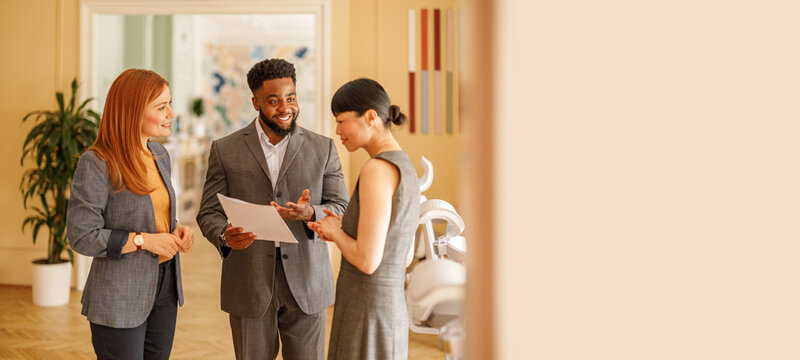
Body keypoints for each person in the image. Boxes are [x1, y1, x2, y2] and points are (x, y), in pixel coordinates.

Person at [196, 58, 348, 360]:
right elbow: (208, 213)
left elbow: (340, 205)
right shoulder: (225, 150)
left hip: (307, 283)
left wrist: (311, 214)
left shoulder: (324, 148)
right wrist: (225, 235)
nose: (285, 108)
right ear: (255, 102)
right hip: (249, 282)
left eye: (291, 98)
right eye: (273, 100)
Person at [67, 69, 194, 360]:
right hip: (118, 295)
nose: (171, 113)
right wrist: (144, 241)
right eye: (161, 107)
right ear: (132, 111)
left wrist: (175, 229)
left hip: (165, 285)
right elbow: (83, 237)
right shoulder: (97, 163)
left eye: (169, 104)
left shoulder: (160, 155)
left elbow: (151, 212)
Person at [308, 78, 421, 360]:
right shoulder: (405, 164)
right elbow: (403, 256)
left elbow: (368, 260)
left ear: (370, 117)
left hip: (366, 308)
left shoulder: (377, 168)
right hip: (390, 308)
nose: (337, 131)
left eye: (341, 120)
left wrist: (335, 232)